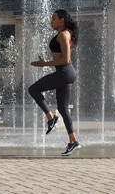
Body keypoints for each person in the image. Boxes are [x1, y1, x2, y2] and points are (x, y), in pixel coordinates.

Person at [28, 9, 81, 156]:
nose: (51, 21)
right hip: (64, 73)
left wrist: (44, 64)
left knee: (33, 89)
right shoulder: (63, 34)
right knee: (63, 109)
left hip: (64, 72)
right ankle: (73, 141)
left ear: (62, 20)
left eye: (54, 18)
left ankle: (51, 118)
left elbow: (65, 59)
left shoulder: (64, 35)